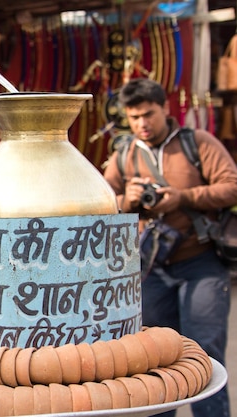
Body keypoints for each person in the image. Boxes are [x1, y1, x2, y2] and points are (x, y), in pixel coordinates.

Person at [103, 78, 237, 417]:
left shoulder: (198, 143)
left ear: (166, 109)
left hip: (200, 261)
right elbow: (99, 202)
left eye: (148, 114)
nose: (142, 124)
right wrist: (126, 200)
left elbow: (232, 186)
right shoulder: (124, 154)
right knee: (155, 360)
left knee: (206, 355)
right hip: (151, 268)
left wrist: (184, 198)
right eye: (134, 118)